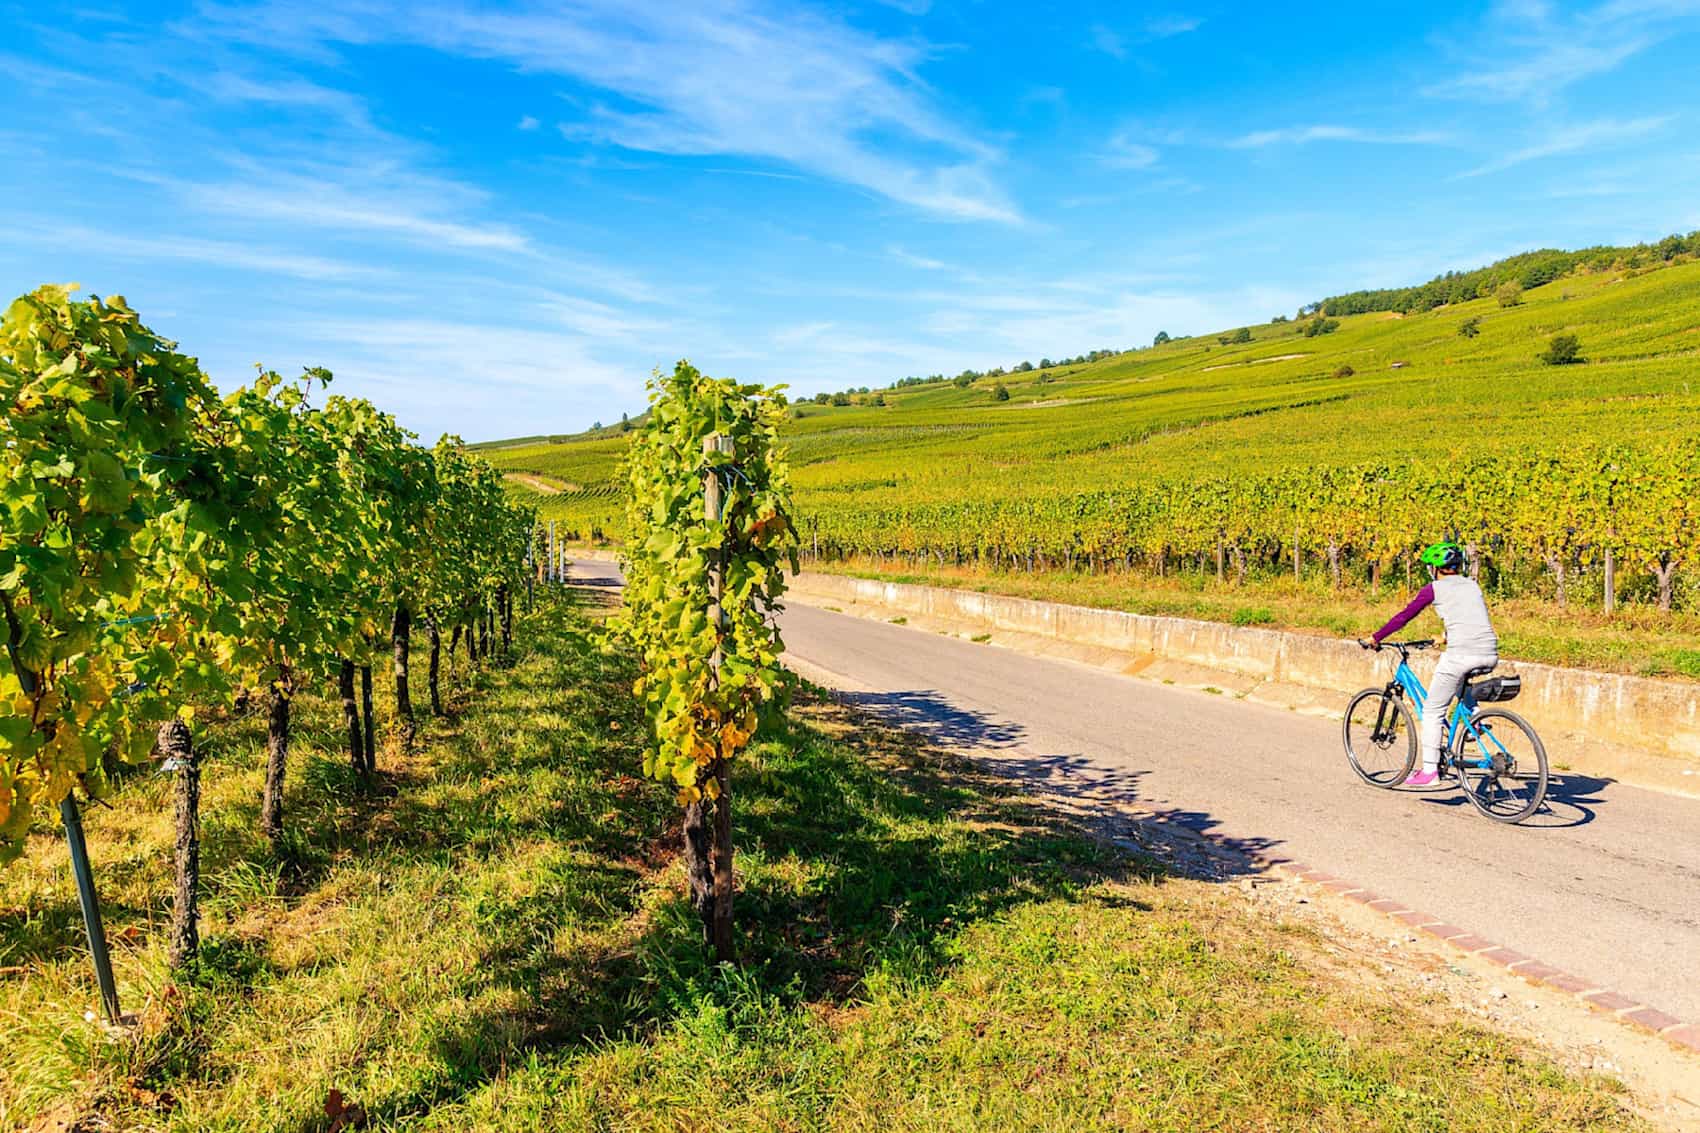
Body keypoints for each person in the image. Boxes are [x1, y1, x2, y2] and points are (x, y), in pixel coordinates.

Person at [1363, 542, 1497, 786]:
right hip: (1489, 653)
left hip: (1461, 654)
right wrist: (1445, 636)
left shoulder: (1433, 589)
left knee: (1432, 711)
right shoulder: (1472, 585)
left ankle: (1429, 772)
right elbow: (1470, 618)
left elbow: (1404, 617)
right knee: (1459, 681)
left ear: (1435, 568)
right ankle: (1475, 720)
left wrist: (1376, 637)